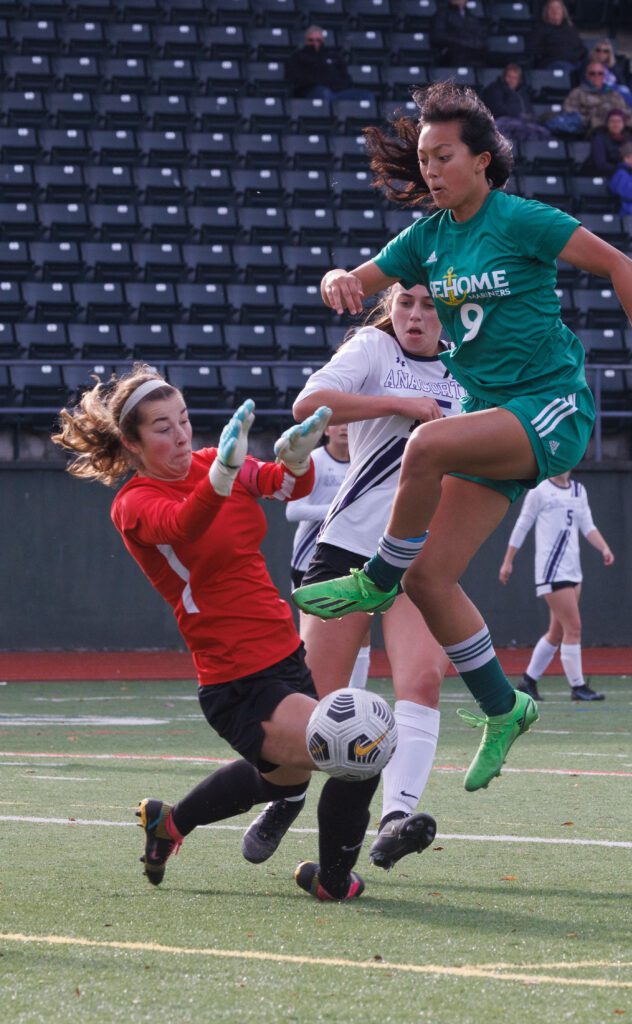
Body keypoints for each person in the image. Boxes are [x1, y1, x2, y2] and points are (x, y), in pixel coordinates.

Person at [291, 82, 632, 795]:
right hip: (494, 415)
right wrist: (337, 278)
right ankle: (504, 709)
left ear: (481, 161)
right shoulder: (426, 239)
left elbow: (620, 267)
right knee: (429, 578)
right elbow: (360, 277)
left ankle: (373, 578)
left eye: (443, 157)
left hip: (551, 405)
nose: (431, 170)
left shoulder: (520, 219)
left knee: (425, 449)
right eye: (423, 158)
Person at [50, 365, 378, 902]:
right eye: (162, 427)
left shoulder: (208, 462)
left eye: (183, 420)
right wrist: (221, 476)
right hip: (237, 680)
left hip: (283, 654)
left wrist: (294, 461)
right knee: (358, 748)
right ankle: (333, 883)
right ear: (132, 443)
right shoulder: (133, 504)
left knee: (284, 781)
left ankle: (169, 824)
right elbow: (184, 525)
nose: (181, 435)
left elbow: (280, 483)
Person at [288, 283, 461, 870]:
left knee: (423, 682)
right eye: (405, 302)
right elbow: (308, 406)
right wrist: (399, 404)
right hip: (350, 548)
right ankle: (282, 797)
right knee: (309, 700)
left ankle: (395, 820)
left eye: (430, 305)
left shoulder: (472, 368)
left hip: (421, 557)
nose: (414, 315)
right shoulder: (373, 349)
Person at [498, 471, 614, 702]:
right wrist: (508, 560)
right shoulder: (540, 490)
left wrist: (604, 547)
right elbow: (523, 524)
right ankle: (577, 686)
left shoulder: (578, 491)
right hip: (551, 570)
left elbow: (587, 525)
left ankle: (528, 681)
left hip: (573, 569)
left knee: (557, 632)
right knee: (574, 627)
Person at [286, 422, 371, 689]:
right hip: (310, 560)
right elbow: (293, 511)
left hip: (353, 555)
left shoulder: (363, 461)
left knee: (363, 631)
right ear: (326, 430)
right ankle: (309, 697)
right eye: (338, 423)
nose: (344, 428)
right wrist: (338, 509)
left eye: (350, 423)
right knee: (310, 635)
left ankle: (355, 698)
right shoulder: (314, 460)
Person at [285, 25, 373, 102]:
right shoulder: (297, 57)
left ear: (322, 40)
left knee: (366, 96)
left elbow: (346, 79)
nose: (315, 43)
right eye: (311, 40)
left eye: (318, 40)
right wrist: (319, 81)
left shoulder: (334, 56)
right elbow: (295, 79)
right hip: (312, 91)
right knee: (324, 93)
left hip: (337, 91)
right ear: (306, 41)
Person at [559, 62, 632, 136]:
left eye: (600, 73)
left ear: (604, 76)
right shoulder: (577, 93)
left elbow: (625, 110)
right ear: (586, 75)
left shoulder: (614, 93)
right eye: (592, 73)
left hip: (618, 130)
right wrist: (592, 118)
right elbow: (570, 113)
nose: (597, 76)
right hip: (593, 132)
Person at [480, 63, 551, 142]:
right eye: (509, 77)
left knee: (542, 132)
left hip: (523, 122)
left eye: (515, 78)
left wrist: (528, 117)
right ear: (504, 77)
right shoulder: (495, 88)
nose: (511, 80)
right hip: (504, 121)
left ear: (519, 80)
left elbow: (529, 111)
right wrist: (517, 114)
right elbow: (497, 108)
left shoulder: (523, 93)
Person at [527, 0, 586, 75]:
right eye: (551, 8)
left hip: (574, 62)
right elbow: (532, 48)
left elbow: (581, 49)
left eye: (558, 8)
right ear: (546, 12)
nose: (555, 11)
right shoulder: (539, 29)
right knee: (568, 69)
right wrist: (552, 52)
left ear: (563, 11)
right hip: (553, 63)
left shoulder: (570, 29)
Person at [430, 0, 488, 68]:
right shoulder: (442, 14)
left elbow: (480, 38)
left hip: (472, 53)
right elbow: (437, 36)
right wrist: (463, 42)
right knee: (461, 54)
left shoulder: (472, 18)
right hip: (451, 53)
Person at [582, 108, 632, 176]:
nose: (615, 124)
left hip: (621, 173)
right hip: (599, 173)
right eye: (612, 121)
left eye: (619, 121)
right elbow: (601, 164)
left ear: (623, 124)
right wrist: (619, 169)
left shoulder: (628, 139)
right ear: (607, 123)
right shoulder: (599, 138)